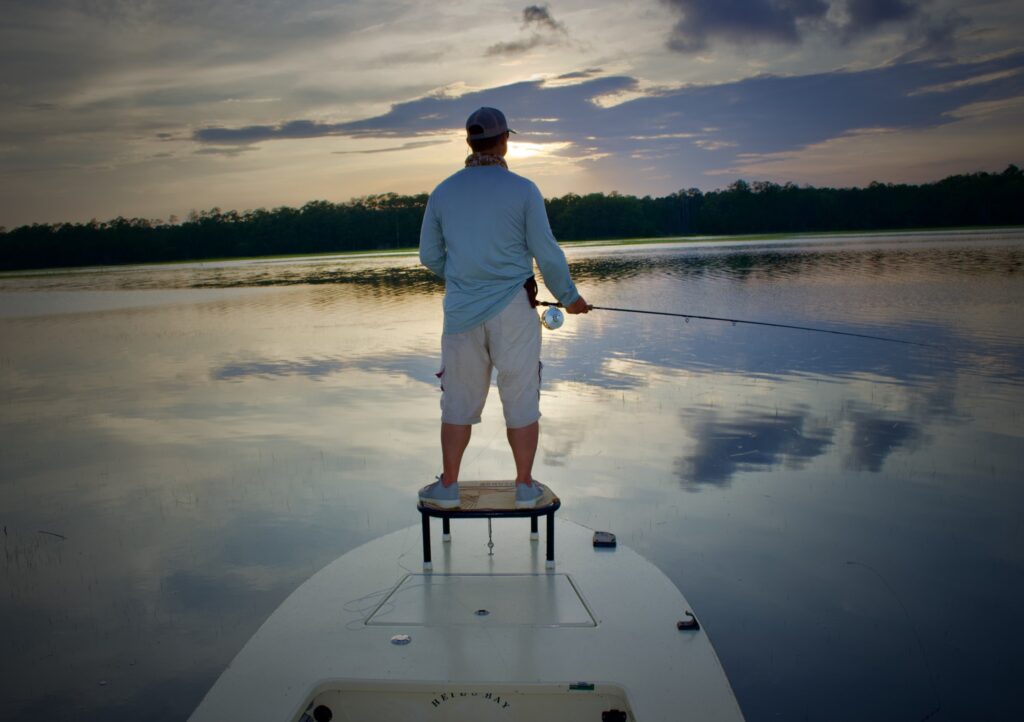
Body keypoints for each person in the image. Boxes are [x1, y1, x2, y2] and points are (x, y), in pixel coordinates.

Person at [418, 106, 589, 509]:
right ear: (504, 140)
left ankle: (448, 487)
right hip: (514, 309)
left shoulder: (442, 192)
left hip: (460, 312)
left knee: (457, 400)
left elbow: (429, 256)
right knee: (521, 394)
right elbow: (546, 253)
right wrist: (569, 297)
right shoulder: (523, 189)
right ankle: (525, 486)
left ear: (468, 141)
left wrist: (463, 278)